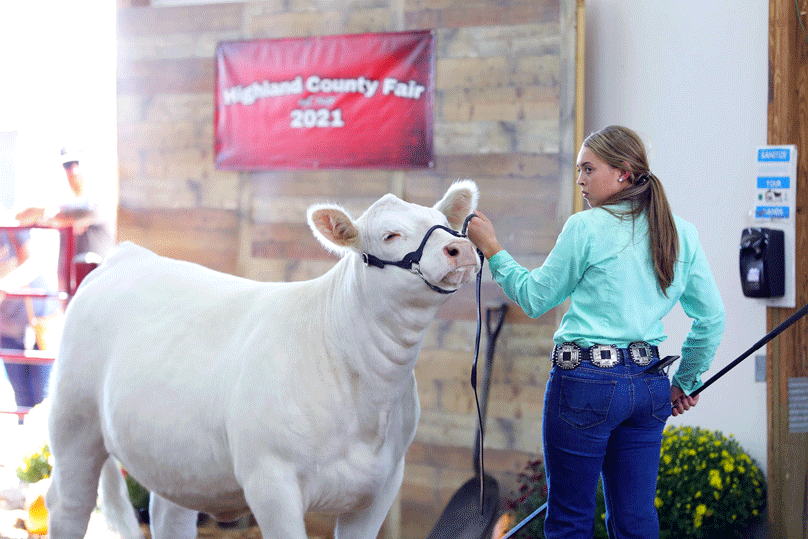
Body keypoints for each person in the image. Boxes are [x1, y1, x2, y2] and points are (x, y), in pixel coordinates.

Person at [467, 125, 725, 539]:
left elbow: (535, 298)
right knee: (635, 521)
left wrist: (492, 248)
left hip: (585, 385)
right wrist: (685, 382)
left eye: (588, 169)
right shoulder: (684, 233)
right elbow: (711, 318)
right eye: (577, 170)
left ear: (623, 172)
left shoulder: (585, 228)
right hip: (649, 386)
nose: (580, 180)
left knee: (570, 521)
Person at [16, 146, 114, 260]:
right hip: (70, 274)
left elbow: (74, 217)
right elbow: (21, 217)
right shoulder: (61, 201)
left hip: (97, 272)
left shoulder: (100, 195)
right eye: (67, 164)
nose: (73, 169)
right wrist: (51, 215)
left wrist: (53, 217)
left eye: (77, 162)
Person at [0, 228, 59, 410]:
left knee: (44, 393)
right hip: (7, 327)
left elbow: (34, 262)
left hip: (38, 318)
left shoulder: (10, 226)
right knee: (22, 395)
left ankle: (44, 436)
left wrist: (4, 287)